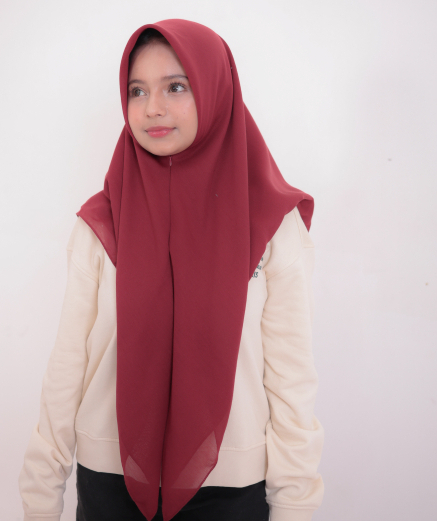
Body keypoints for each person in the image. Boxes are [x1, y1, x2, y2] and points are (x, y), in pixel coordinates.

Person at [18, 19, 324, 521]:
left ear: (216, 90)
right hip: (111, 482)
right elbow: (67, 366)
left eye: (176, 87)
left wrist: (295, 506)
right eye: (137, 91)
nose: (152, 108)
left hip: (231, 488)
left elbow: (291, 380)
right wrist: (40, 499)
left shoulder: (272, 225)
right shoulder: (102, 222)